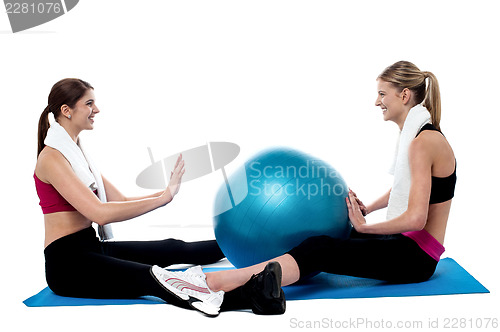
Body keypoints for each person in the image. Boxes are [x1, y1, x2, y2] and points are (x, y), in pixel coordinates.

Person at [158, 60, 456, 315]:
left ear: (404, 95)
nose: (377, 102)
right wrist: (367, 208)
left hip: (415, 258)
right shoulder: (421, 136)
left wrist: (364, 228)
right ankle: (251, 284)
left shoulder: (422, 142)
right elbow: (409, 189)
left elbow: (417, 218)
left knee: (320, 248)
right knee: (327, 238)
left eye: (382, 94)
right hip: (403, 245)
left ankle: (215, 284)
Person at [35, 78, 245, 317]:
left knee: (172, 248)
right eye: (89, 103)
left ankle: (244, 245)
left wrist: (165, 192)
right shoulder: (52, 158)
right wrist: (162, 199)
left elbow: (120, 201)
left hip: (90, 247)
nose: (97, 110)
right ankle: (253, 294)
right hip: (68, 265)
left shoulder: (77, 156)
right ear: (66, 110)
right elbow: (99, 213)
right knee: (152, 276)